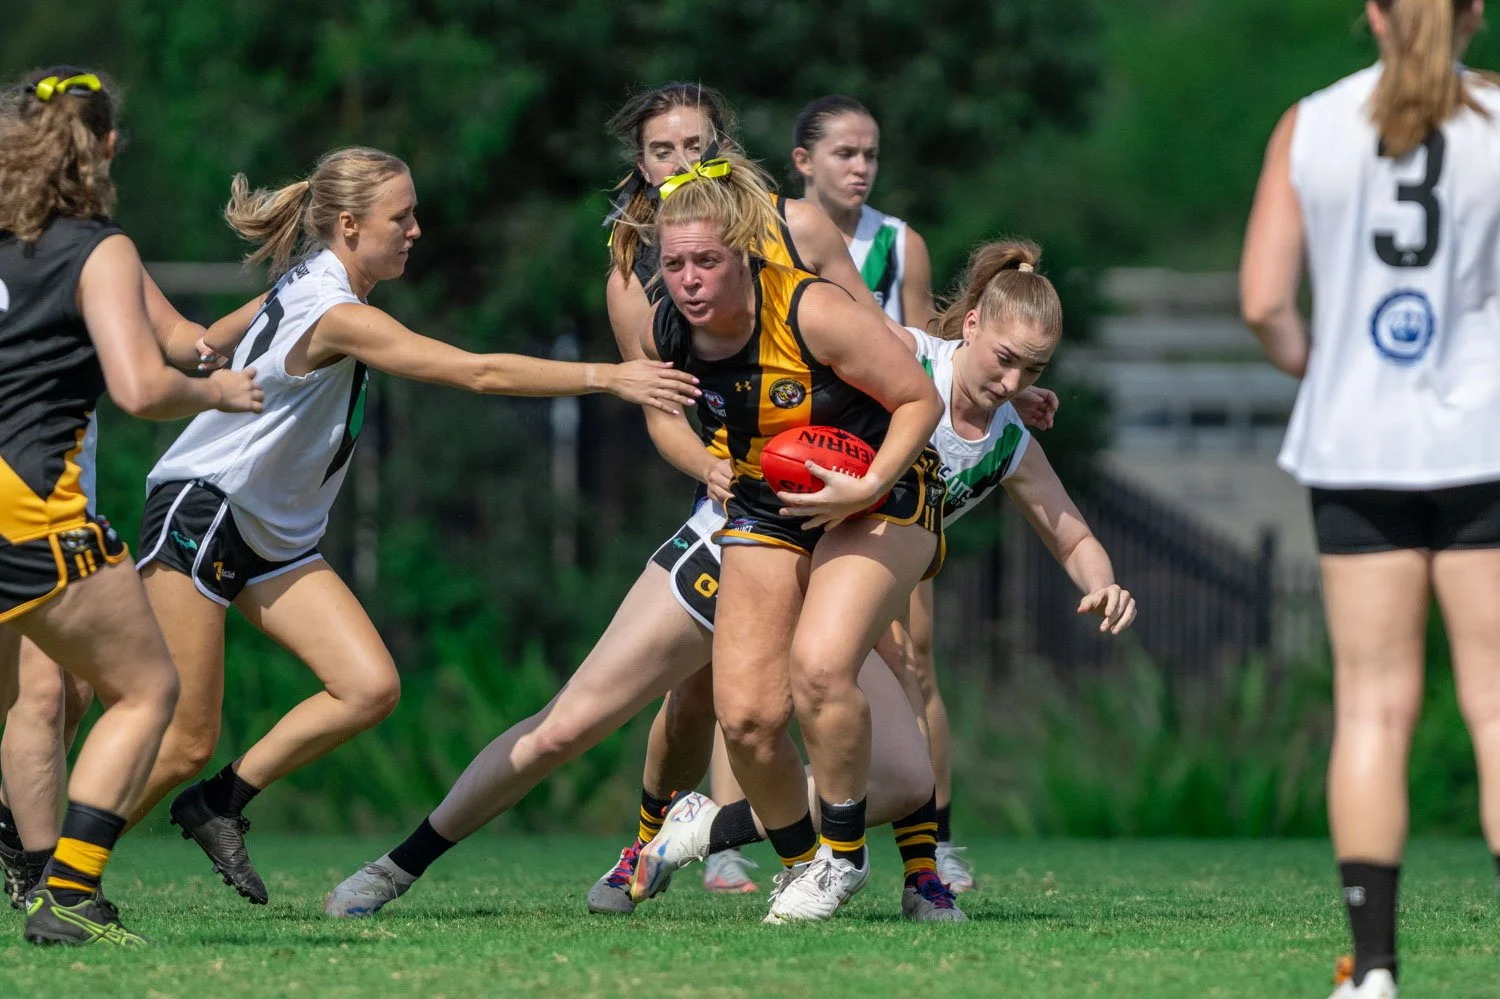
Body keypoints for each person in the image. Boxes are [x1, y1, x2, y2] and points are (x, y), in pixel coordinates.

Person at [322, 83, 972, 924]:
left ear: (723, 151)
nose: (680, 164)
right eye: (663, 151)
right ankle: (415, 864)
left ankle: (904, 872)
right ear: (641, 163)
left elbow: (893, 356)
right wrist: (711, 466)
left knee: (884, 720)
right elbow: (661, 408)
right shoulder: (639, 275)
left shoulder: (797, 234)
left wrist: (967, 393)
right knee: (615, 717)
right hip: (746, 505)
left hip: (853, 490)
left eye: (696, 146)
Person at [129, 145, 699, 907]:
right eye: (401, 217)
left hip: (272, 532)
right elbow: (476, 371)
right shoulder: (337, 312)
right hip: (207, 507)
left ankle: (218, 803)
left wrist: (196, 345)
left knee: (368, 686)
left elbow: (216, 339)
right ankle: (54, 861)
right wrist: (610, 376)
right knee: (183, 739)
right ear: (348, 225)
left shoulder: (312, 281)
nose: (415, 230)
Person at [631, 239, 1137, 913]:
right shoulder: (907, 356)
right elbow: (807, 342)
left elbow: (1071, 532)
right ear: (972, 325)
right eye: (1005, 359)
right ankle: (890, 872)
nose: (1013, 382)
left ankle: (720, 828)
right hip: (801, 548)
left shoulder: (1011, 442)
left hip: (877, 565)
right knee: (780, 704)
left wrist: (1102, 582)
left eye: (1033, 369)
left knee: (901, 772)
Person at [1240, 3, 1500, 995]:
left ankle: (1376, 969)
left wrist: (1330, 370)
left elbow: (1264, 302)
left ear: (1374, 13)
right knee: (1495, 707)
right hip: (1485, 440)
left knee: (1372, 709)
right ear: (1474, 14)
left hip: (1358, 446)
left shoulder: (1311, 123)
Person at [0, 66, 263, 945]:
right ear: (107, 145)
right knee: (148, 689)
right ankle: (67, 892)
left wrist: (239, 328)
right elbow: (143, 386)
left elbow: (175, 335)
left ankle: (39, 871)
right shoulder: (94, 248)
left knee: (38, 695)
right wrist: (219, 394)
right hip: (31, 511)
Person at [790, 93, 983, 890]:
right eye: (845, 153)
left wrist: (1003, 397)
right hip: (795, 459)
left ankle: (932, 842)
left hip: (888, 468)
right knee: (756, 661)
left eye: (871, 153)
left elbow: (926, 353)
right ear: (803, 161)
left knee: (912, 655)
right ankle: (742, 835)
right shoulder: (773, 232)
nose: (862, 167)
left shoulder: (901, 244)